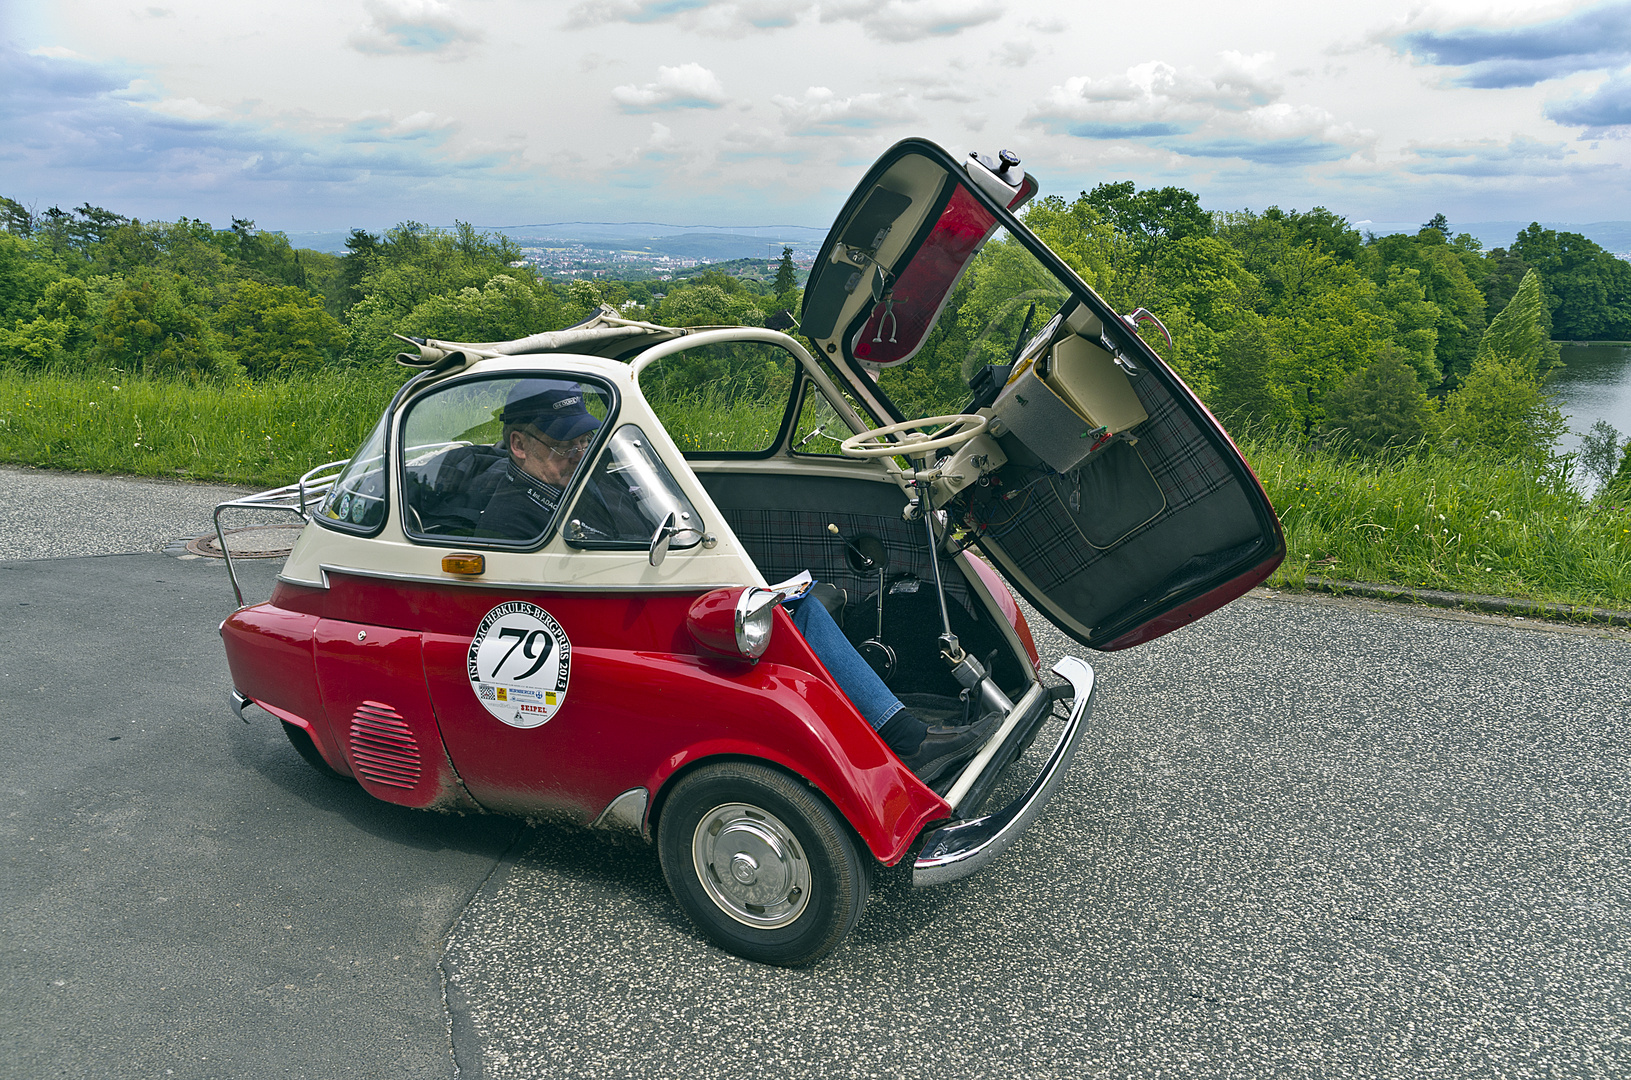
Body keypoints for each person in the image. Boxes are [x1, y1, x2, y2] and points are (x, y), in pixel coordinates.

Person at [480, 379, 994, 784]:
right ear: (519, 445)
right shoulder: (509, 518)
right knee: (792, 614)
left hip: (646, 592)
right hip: (606, 623)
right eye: (565, 444)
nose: (578, 452)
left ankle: (888, 739)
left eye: (585, 439)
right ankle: (900, 740)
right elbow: (553, 588)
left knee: (799, 604)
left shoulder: (578, 481)